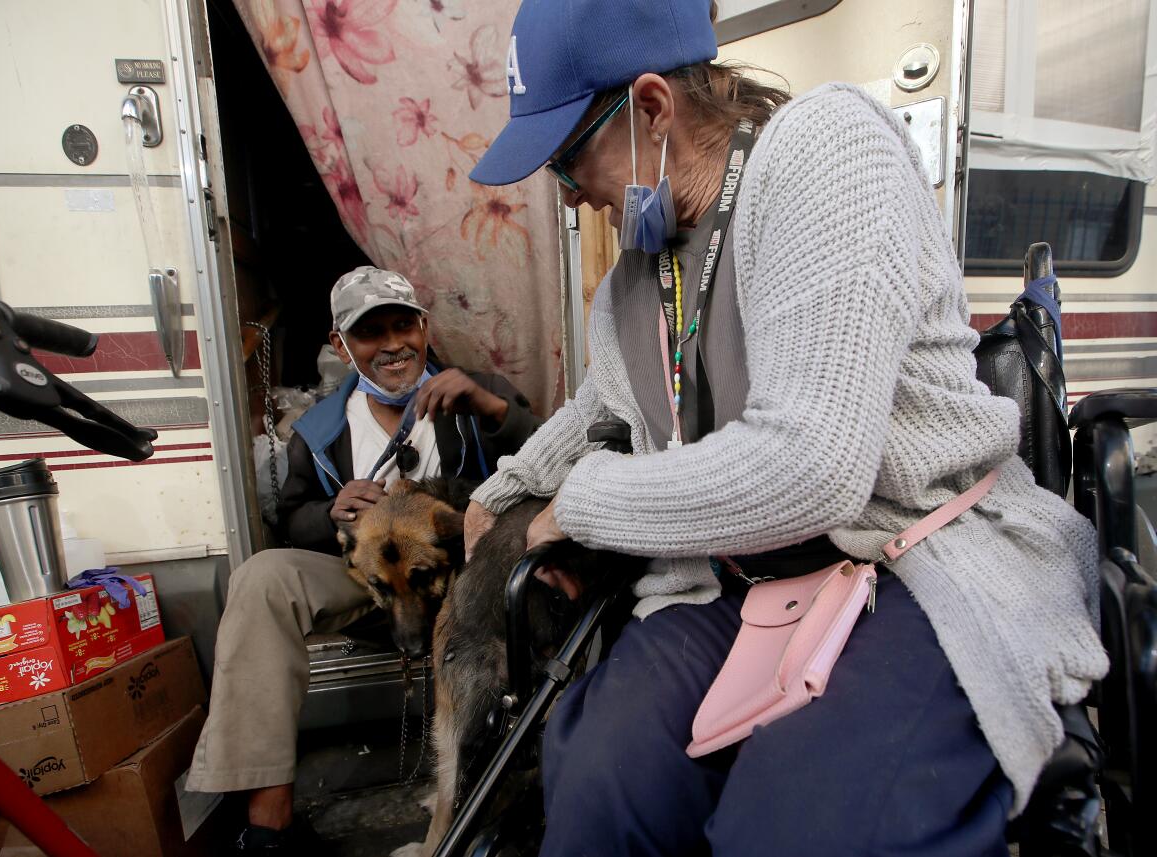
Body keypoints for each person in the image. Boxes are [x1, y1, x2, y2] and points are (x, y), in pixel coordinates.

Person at [462, 1, 1108, 854]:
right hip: (738, 577)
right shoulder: (631, 282)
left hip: (912, 555)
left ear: (652, 107)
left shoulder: (825, 150)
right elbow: (603, 409)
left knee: (796, 825)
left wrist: (574, 508)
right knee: (599, 781)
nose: (570, 192)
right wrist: (504, 491)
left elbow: (813, 466)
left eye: (569, 157)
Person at [186, 266, 539, 853]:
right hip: (378, 589)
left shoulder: (477, 392)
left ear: (425, 328)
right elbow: (291, 515)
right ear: (341, 346)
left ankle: (485, 797)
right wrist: (331, 511)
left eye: (404, 325)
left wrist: (496, 410)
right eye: (371, 333)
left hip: (467, 581)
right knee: (262, 579)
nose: (393, 344)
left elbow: (549, 462)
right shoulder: (321, 430)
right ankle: (268, 820)